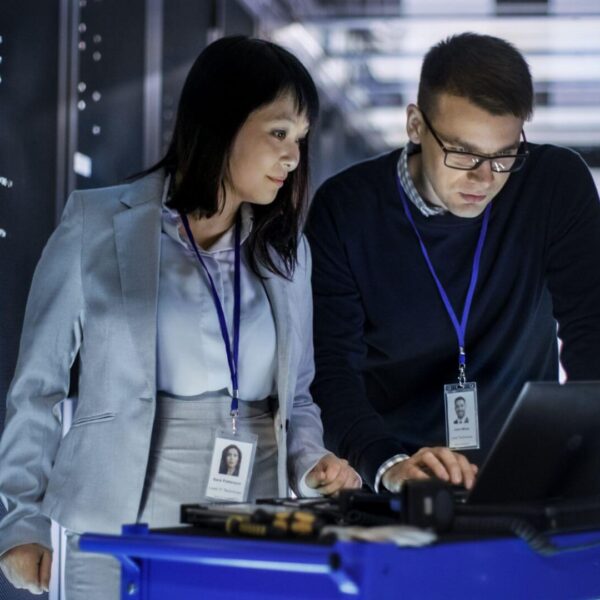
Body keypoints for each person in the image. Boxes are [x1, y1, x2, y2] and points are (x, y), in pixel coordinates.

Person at [0, 35, 360, 598]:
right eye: (278, 133)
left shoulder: (288, 253)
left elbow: (298, 400)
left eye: (301, 140)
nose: (293, 157)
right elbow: (37, 390)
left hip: (253, 516)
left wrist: (310, 464)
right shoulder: (94, 225)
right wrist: (17, 521)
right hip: (117, 513)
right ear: (221, 122)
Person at [306, 32, 600, 495]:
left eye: (504, 155)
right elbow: (330, 370)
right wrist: (388, 465)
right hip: (397, 479)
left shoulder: (553, 185)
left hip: (526, 479)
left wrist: (582, 455)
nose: (483, 179)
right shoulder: (347, 209)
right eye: (463, 153)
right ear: (416, 126)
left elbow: (591, 332)